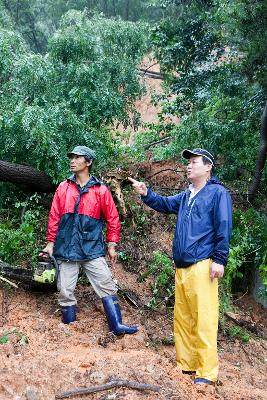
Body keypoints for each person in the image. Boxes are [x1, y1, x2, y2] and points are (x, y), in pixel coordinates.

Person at [129, 148, 232, 384]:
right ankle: (187, 366)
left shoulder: (217, 193)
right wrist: (146, 193)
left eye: (194, 162)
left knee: (204, 319)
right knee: (183, 319)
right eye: (188, 162)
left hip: (204, 265)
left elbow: (223, 226)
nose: (188, 165)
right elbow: (164, 204)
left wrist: (220, 259)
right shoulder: (187, 196)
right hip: (182, 267)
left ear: (208, 167)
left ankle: (206, 372)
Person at [42, 145, 138, 335]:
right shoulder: (63, 187)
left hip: (92, 249)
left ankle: (117, 326)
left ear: (89, 162)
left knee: (107, 285)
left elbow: (112, 218)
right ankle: (68, 329)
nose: (72, 161)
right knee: (64, 291)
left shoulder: (100, 190)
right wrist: (50, 243)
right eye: (71, 157)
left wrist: (112, 244)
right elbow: (54, 216)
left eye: (78, 158)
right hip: (67, 249)